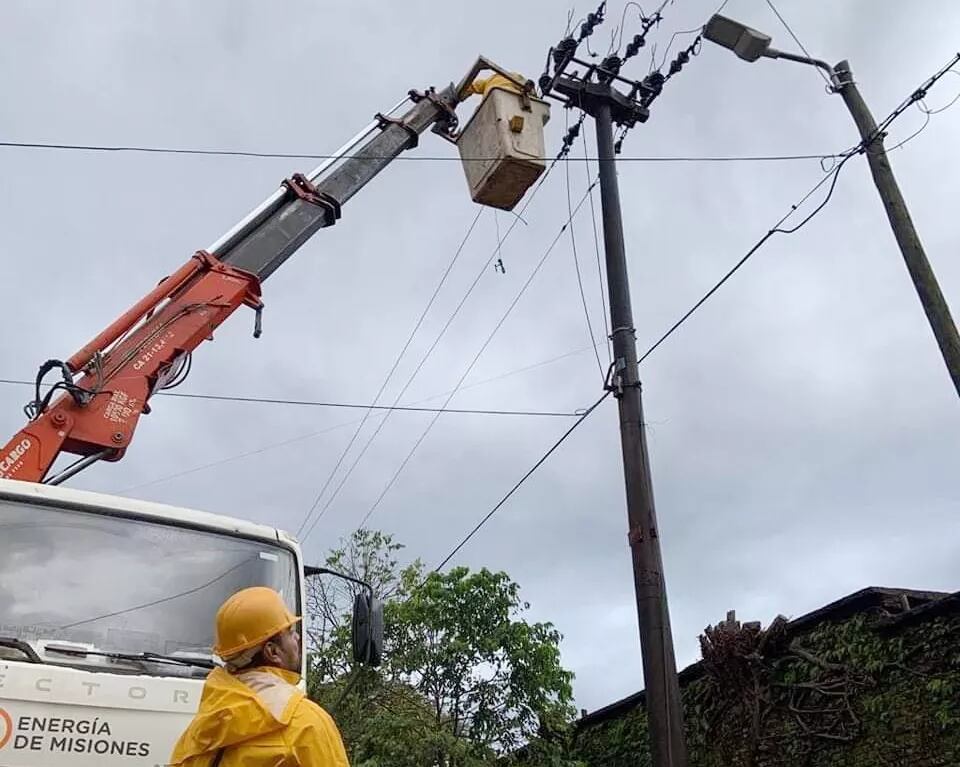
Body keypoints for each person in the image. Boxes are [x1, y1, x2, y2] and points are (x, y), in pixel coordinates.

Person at [169, 586, 349, 766]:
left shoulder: (202, 728)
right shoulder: (307, 724)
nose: (298, 638)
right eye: (290, 632)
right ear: (272, 651)